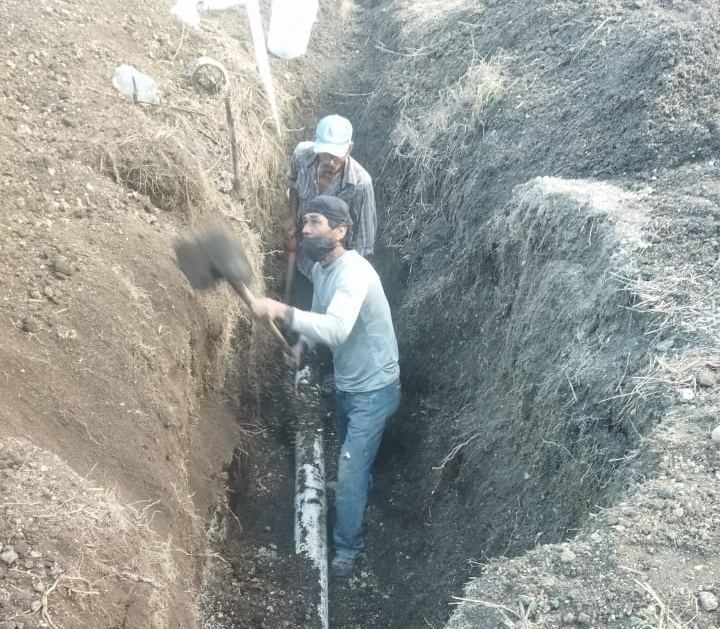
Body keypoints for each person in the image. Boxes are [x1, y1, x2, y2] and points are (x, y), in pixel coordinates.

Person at [253, 195, 400, 579]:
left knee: (349, 472)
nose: (305, 230)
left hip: (375, 388)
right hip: (349, 384)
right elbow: (320, 318)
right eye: (304, 223)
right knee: (352, 460)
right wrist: (302, 344)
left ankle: (349, 548)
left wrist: (281, 310)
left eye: (315, 222)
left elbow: (337, 327)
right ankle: (360, 492)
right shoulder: (321, 269)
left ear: (340, 230)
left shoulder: (353, 272)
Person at [284, 114, 378, 396]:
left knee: (330, 321)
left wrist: (342, 279)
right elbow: (292, 184)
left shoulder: (360, 183)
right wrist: (291, 218)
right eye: (324, 152)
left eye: (335, 155)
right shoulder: (303, 155)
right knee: (303, 311)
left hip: (336, 268)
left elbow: (364, 241)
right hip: (303, 259)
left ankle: (329, 376)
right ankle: (303, 367)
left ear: (350, 148)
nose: (328, 160)